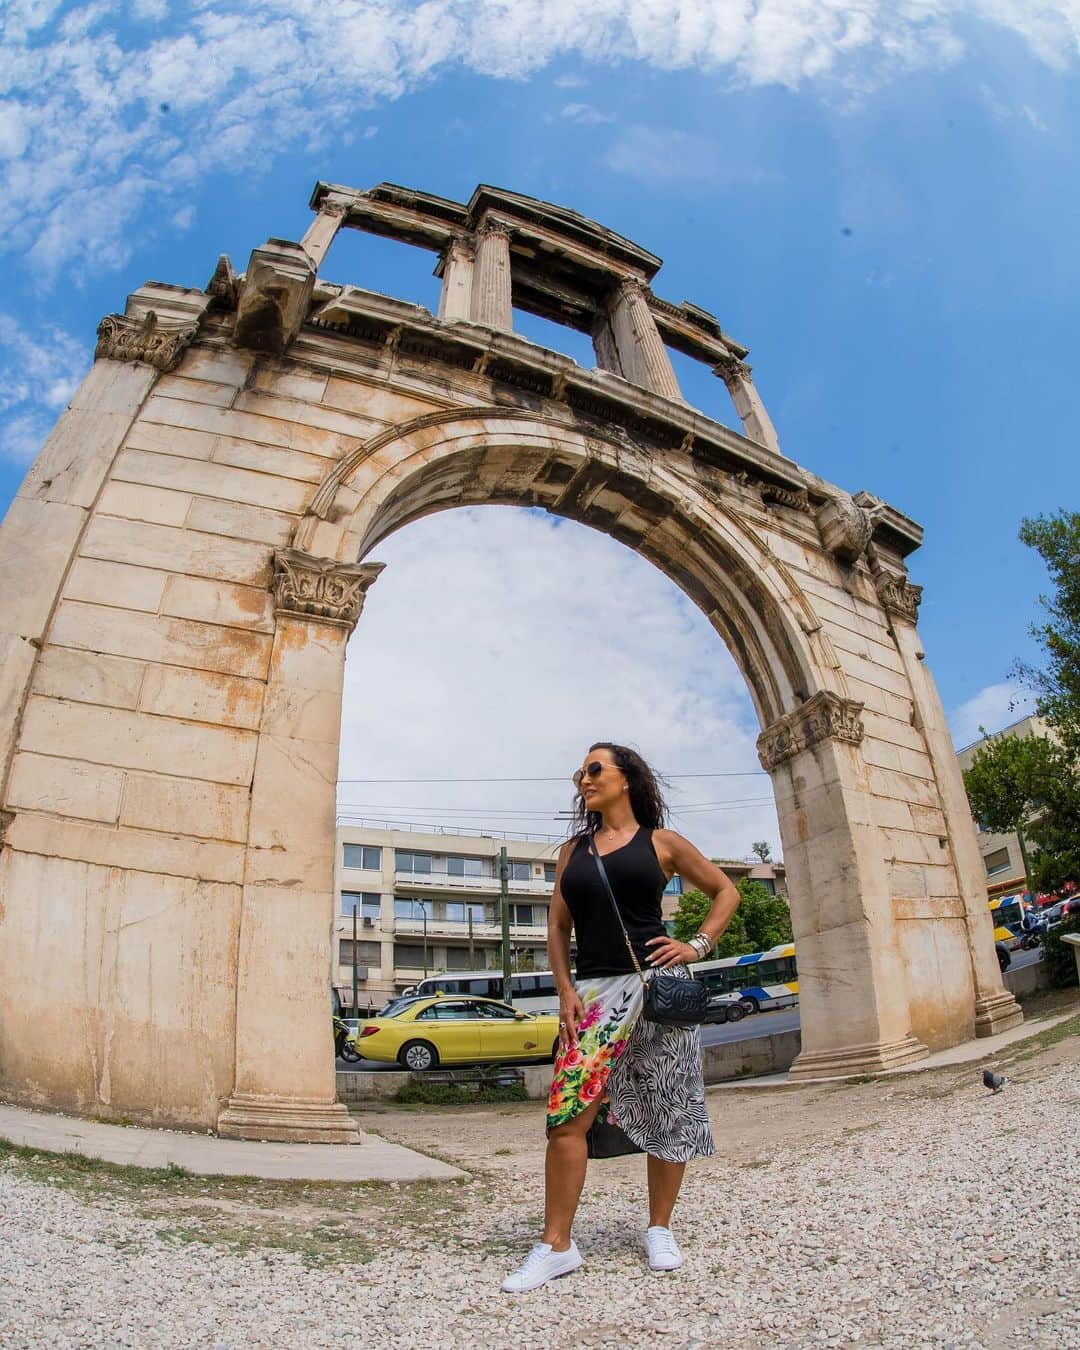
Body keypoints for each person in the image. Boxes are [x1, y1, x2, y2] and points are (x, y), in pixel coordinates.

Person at [501, 742, 741, 1293]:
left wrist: (697, 945)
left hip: (659, 987)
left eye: (594, 769)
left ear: (626, 777)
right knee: (568, 1117)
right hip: (593, 997)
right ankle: (556, 1244)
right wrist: (564, 990)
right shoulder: (573, 852)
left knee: (670, 1107)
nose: (583, 780)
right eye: (579, 773)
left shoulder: (662, 842)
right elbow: (558, 929)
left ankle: (660, 1228)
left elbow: (725, 891)